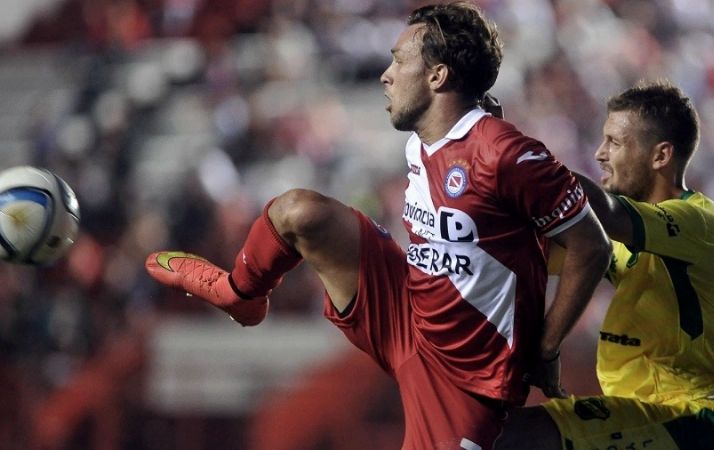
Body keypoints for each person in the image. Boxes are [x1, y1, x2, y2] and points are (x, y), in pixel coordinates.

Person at [145, 2, 611, 449]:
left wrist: (547, 349)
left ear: (437, 75)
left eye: (398, 61)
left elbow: (592, 246)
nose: (385, 76)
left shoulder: (505, 153)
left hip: (466, 379)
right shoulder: (425, 135)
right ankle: (241, 296)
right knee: (298, 213)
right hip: (405, 311)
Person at [496, 80, 714, 449]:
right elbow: (530, 254)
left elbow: (604, 212)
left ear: (660, 156)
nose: (599, 154)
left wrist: (507, 154)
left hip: (702, 417)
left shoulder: (703, 222)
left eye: (615, 142)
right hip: (644, 412)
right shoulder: (621, 236)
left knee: (510, 439)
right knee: (489, 432)